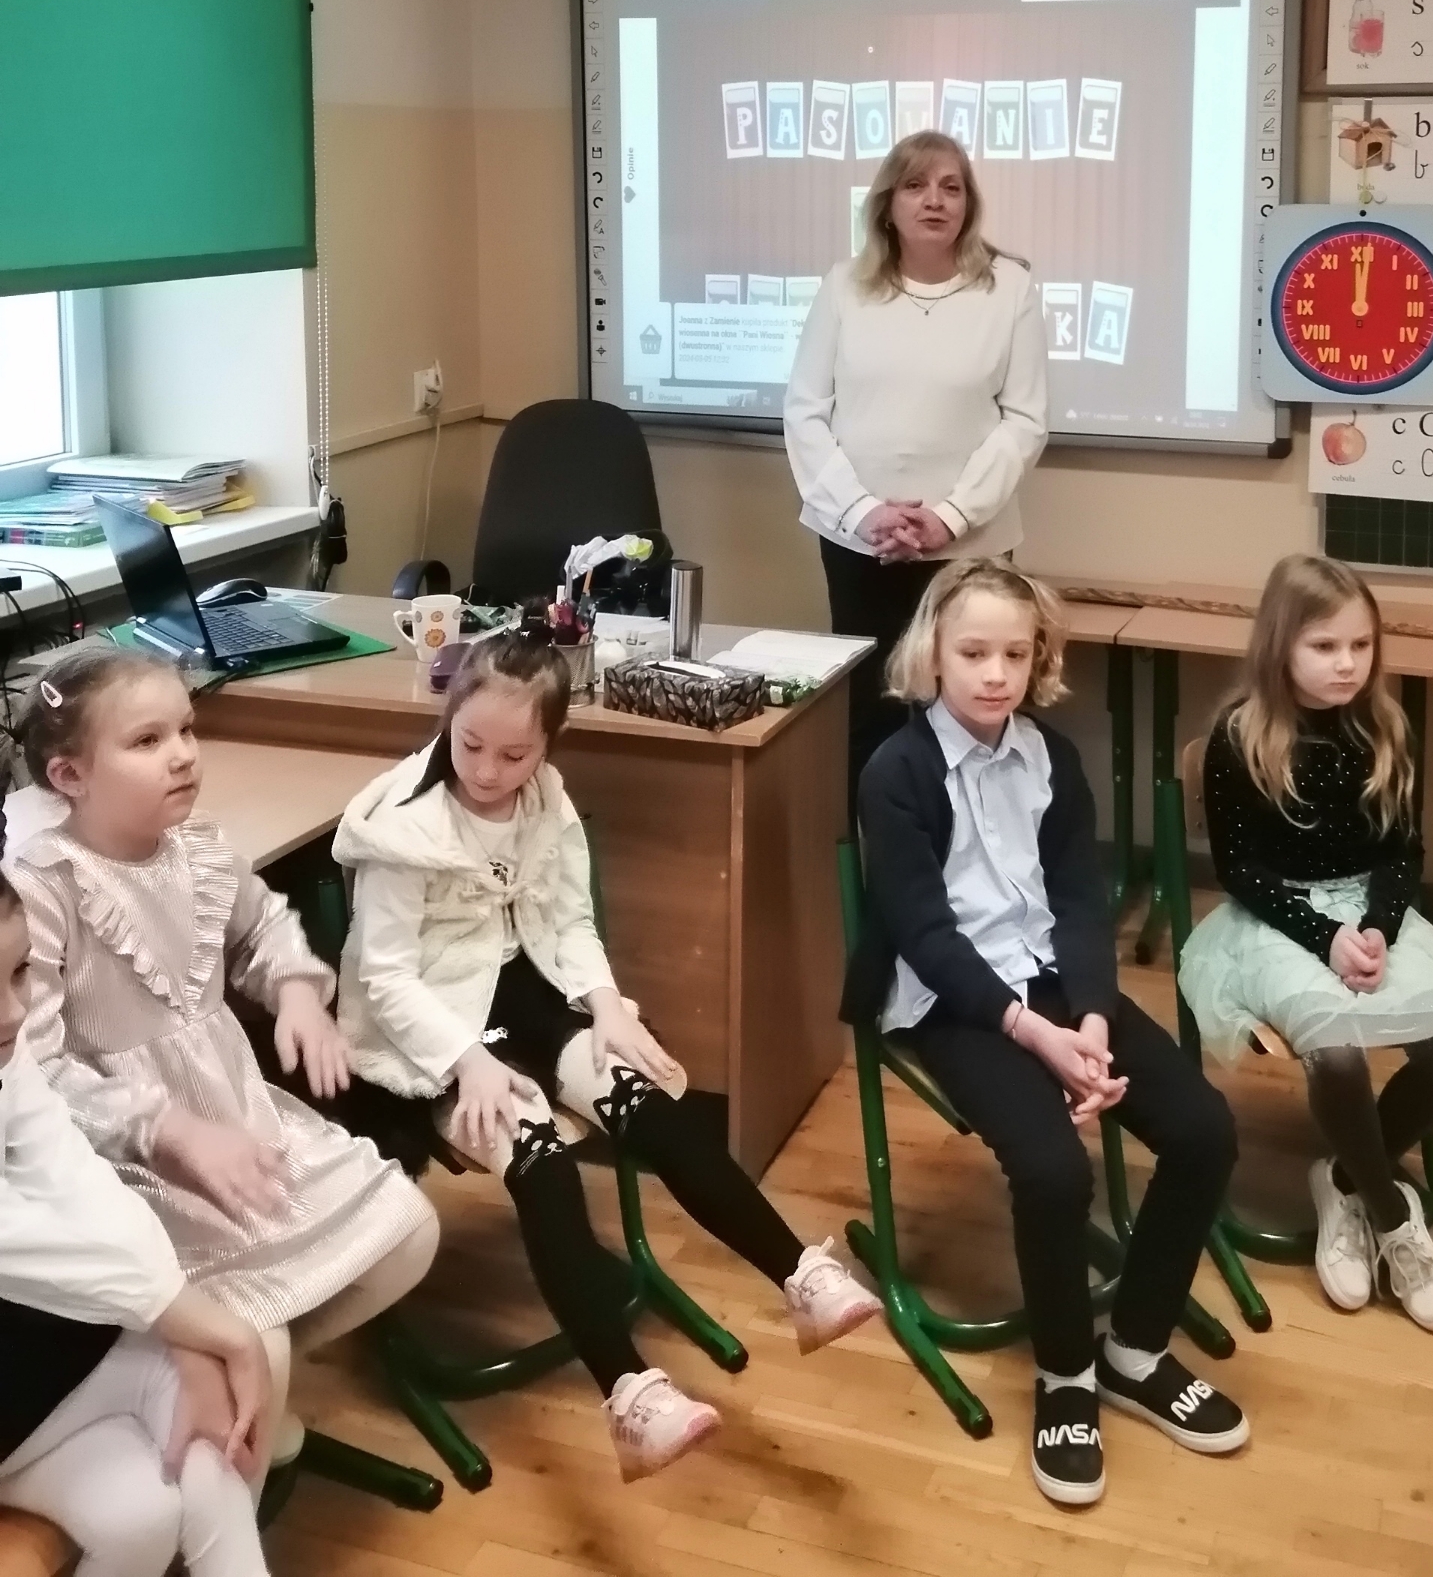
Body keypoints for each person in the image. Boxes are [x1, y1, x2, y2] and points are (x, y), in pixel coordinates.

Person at [328, 629, 881, 1481]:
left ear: (548, 745)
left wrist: (607, 1003)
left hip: (526, 994)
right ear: (449, 718)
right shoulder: (403, 826)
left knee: (647, 1104)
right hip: (434, 1026)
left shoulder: (545, 798)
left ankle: (800, 1274)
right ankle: (630, 1396)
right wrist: (465, 1060)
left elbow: (569, 920)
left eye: (515, 755)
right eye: (471, 745)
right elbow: (386, 977)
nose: (488, 771)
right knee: (542, 1164)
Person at [846, 559, 1247, 1510]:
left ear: (1040, 660)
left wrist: (1095, 1015)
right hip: (955, 1000)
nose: (996, 674)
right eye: (973, 653)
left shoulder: (1051, 758)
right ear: (932, 654)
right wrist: (1036, 1034)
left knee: (1205, 1131)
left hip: (1058, 984)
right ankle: (1066, 1375)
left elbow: (1077, 899)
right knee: (1055, 1173)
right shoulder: (895, 771)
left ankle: (1134, 1350)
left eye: (1015, 655)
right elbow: (926, 936)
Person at [4, 643, 440, 1481]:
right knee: (255, 1346)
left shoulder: (200, 851)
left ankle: (227, 1396)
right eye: (147, 741)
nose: (182, 754)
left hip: (242, 1123)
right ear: (69, 776)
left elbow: (264, 930)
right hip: (135, 1165)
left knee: (409, 1232)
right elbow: (38, 1070)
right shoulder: (44, 887)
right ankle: (223, 1460)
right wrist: (170, 1132)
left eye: (186, 730)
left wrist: (300, 994)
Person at [1178, 554, 1433, 1331]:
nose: (1347, 664)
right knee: (1335, 1053)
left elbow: (1402, 853)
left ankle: (1346, 1181)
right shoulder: (1238, 737)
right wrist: (1325, 937)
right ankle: (1394, 1217)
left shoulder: (1384, 727)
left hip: (1370, 912)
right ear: (1280, 646)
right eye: (1325, 646)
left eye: (1361, 645)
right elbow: (1239, 870)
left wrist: (1377, 930)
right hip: (1278, 918)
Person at [0, 810, 273, 1576]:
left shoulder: (5, 1053)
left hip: (42, 1346)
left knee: (171, 1486)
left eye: (18, 973)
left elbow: (71, 1173)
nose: (15, 1013)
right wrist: (192, 1320)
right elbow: (21, 1239)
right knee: (159, 1486)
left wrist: (181, 1320)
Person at [784, 129, 1049, 807]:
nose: (935, 200)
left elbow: (1024, 420)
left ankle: (975, 855)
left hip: (970, 546)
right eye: (916, 185)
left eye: (951, 187)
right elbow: (805, 411)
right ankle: (879, 858)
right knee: (873, 713)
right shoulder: (844, 287)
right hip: (858, 542)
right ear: (888, 203)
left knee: (971, 709)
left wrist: (950, 516)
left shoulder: (1010, 289)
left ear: (968, 204)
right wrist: (863, 512)